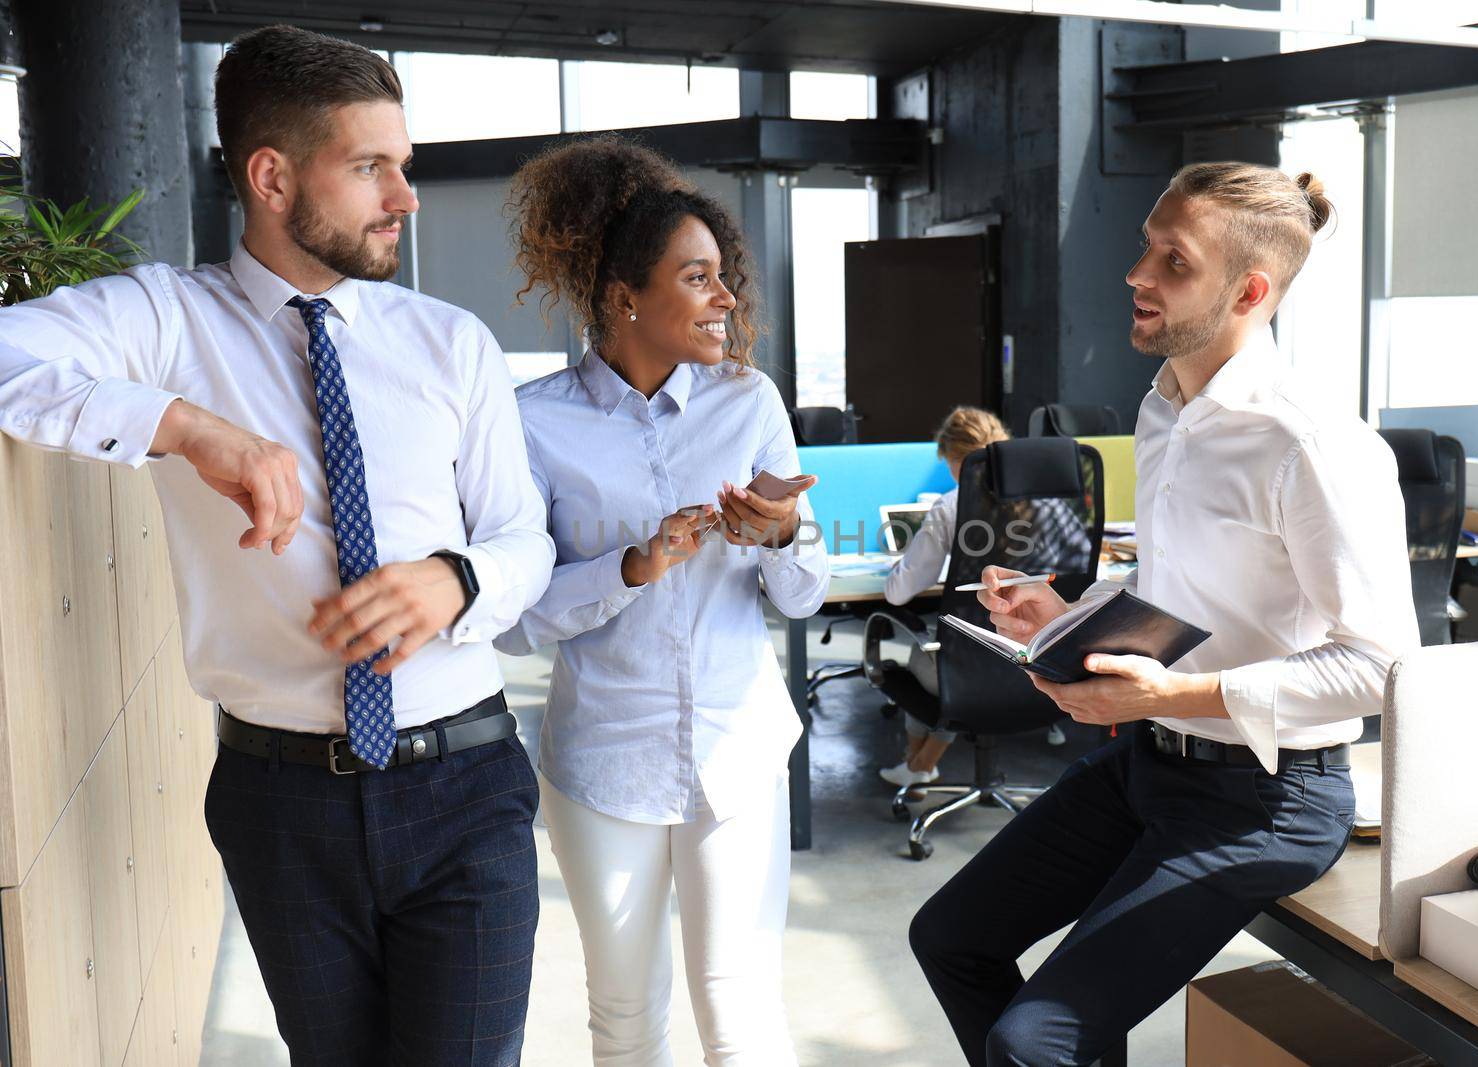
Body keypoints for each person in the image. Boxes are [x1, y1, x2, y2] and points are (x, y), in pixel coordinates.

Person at [0, 26, 554, 1065]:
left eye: (405, 165)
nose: (406, 196)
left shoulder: (450, 343)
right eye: (370, 167)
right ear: (271, 175)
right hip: (279, 801)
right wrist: (186, 425)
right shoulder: (167, 320)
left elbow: (525, 537)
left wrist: (455, 578)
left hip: (464, 783)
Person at [908, 162, 1420, 1066]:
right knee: (950, 936)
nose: (1137, 274)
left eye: (1172, 261)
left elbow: (1381, 665)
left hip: (1269, 796)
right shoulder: (1164, 412)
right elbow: (1178, 587)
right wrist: (1065, 612)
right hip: (1150, 766)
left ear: (1249, 291)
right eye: (1147, 246)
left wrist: (1167, 697)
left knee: (1032, 1043)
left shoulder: (1314, 445)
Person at [495, 136, 827, 1066]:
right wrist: (632, 567)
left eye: (725, 278)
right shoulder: (535, 422)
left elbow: (801, 596)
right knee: (628, 1018)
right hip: (605, 758)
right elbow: (520, 621)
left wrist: (780, 536)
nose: (726, 299)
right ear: (624, 296)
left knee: (740, 1011)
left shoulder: (749, 401)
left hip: (738, 741)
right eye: (698, 277)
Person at [879, 405, 1011, 789]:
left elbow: (899, 592)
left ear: (955, 460)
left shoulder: (952, 505)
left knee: (927, 654)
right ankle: (919, 765)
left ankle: (919, 766)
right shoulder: (1042, 500)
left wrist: (898, 566)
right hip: (1032, 656)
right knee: (951, 656)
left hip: (973, 662)